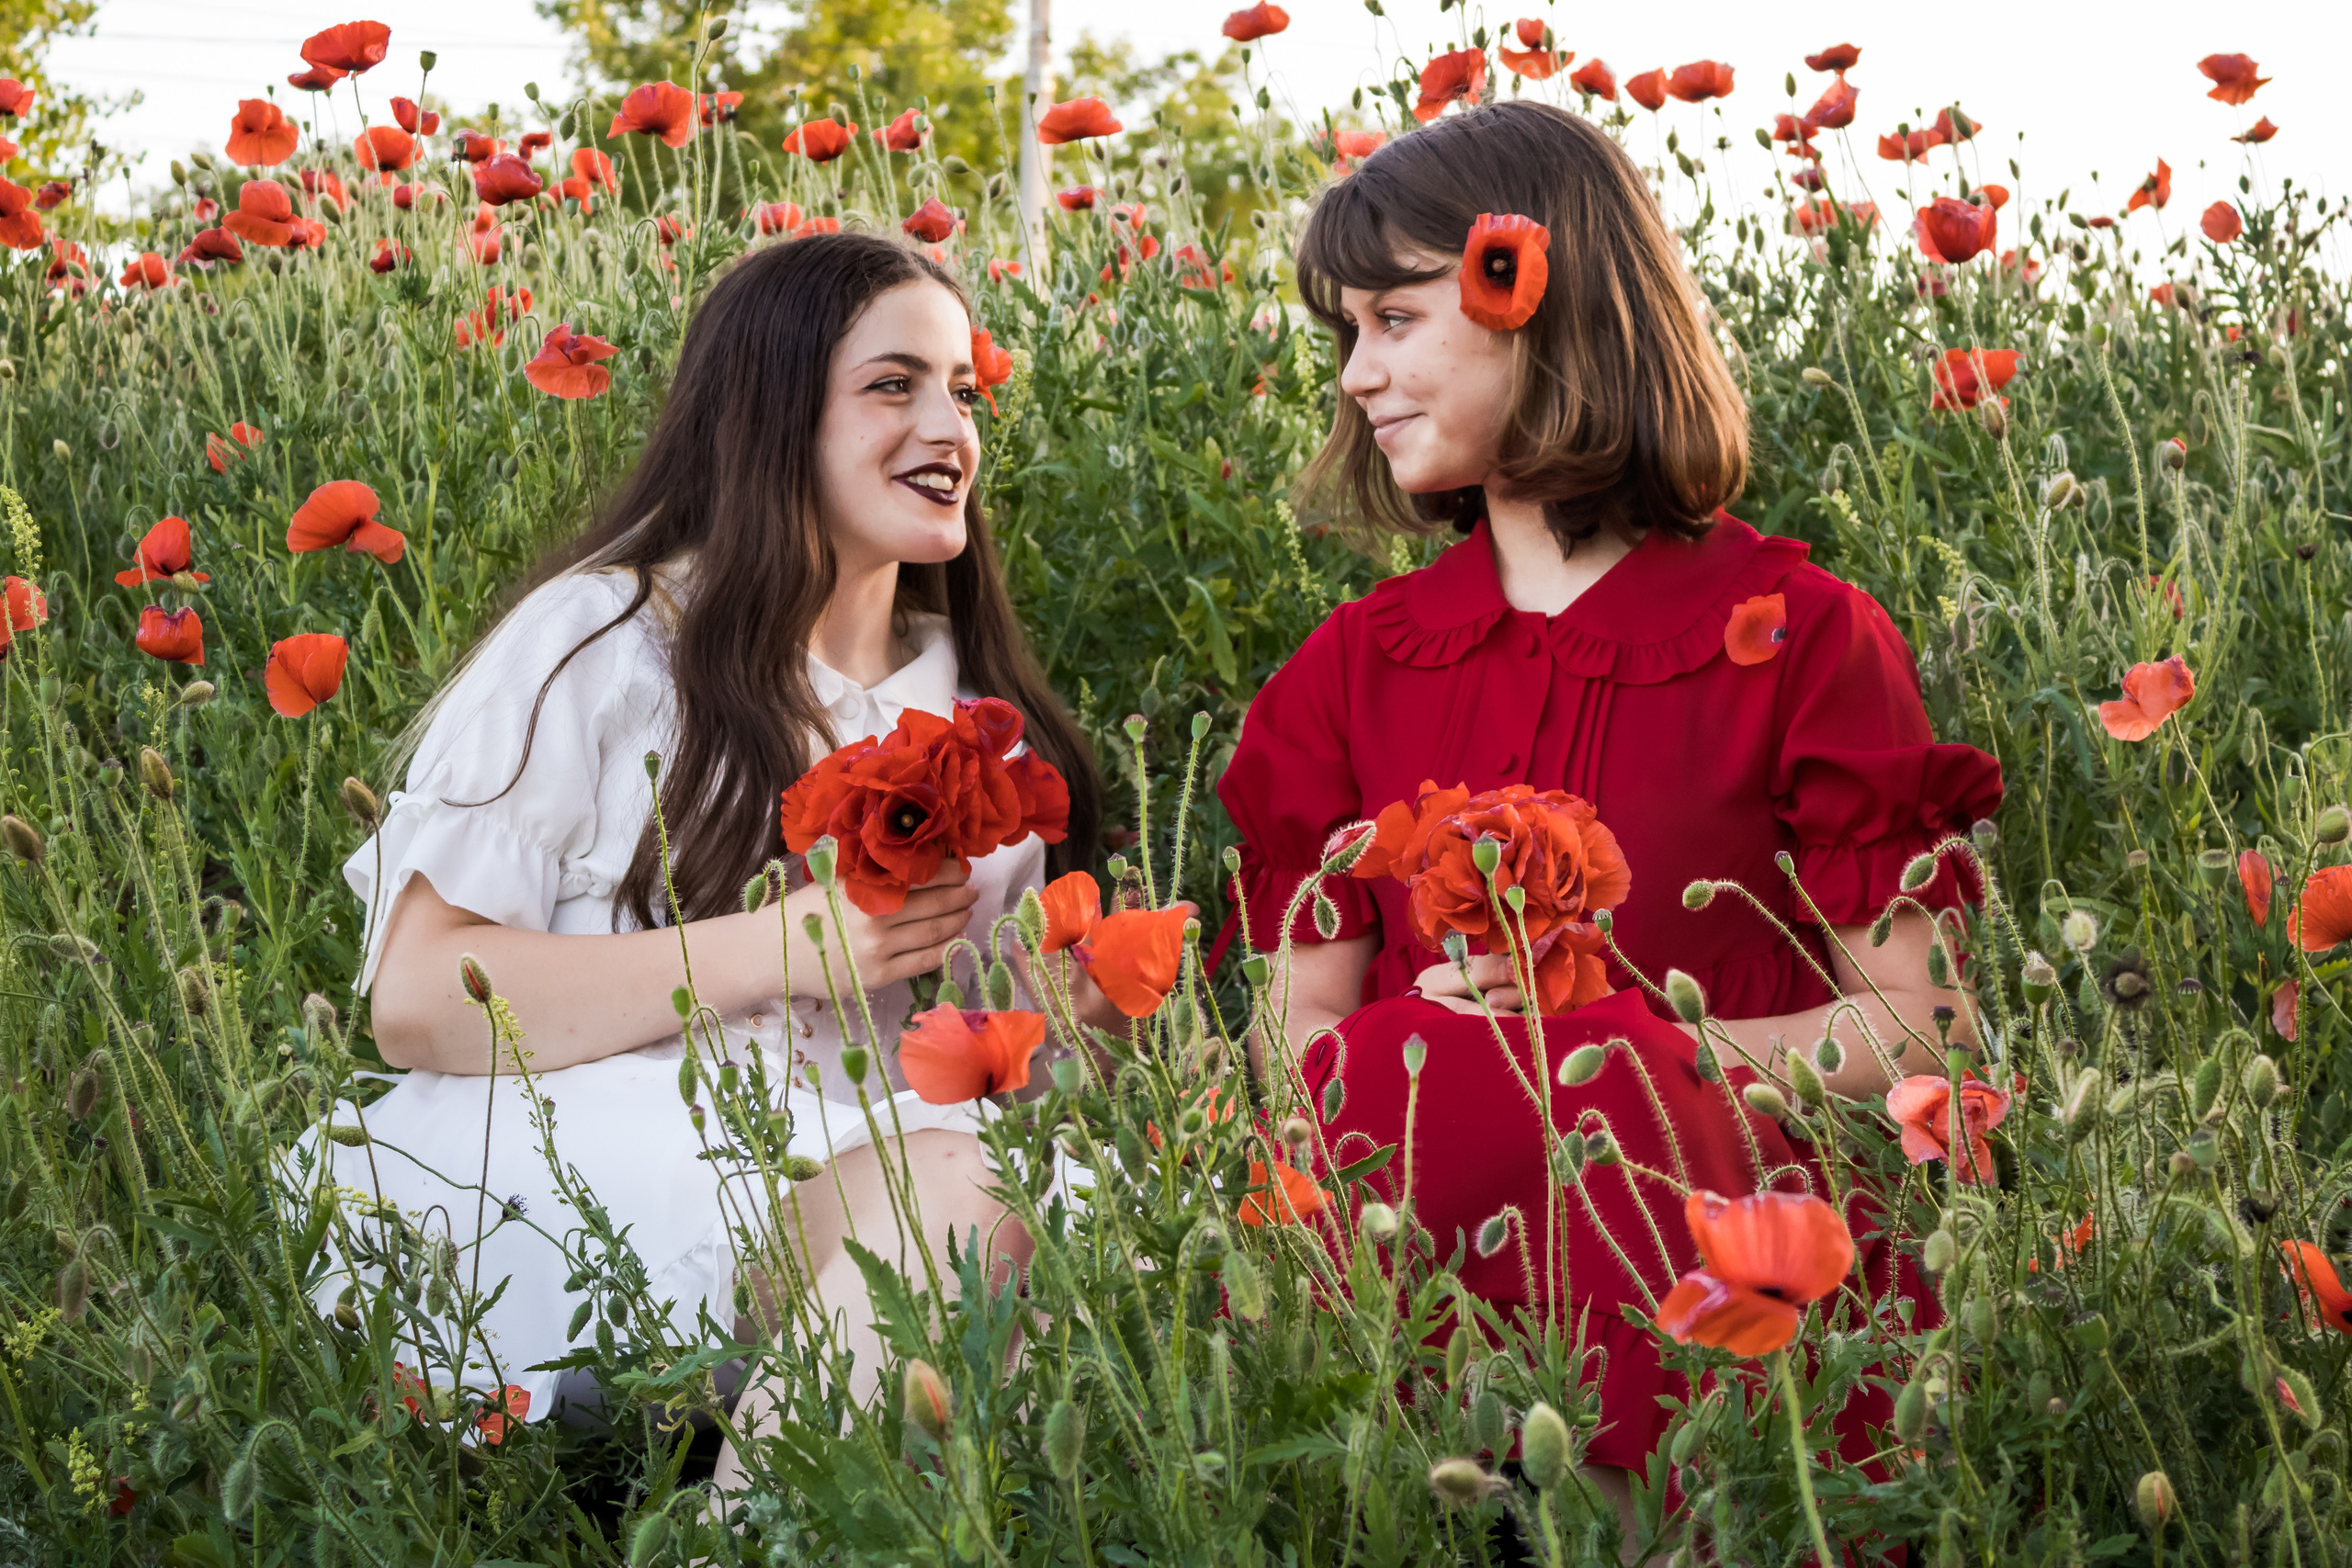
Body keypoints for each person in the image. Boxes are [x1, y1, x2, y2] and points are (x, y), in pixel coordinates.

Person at [1216, 102, 2002, 1536]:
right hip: (1419, 1268)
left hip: (1723, 1264)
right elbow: (1293, 1047)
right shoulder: (1347, 675)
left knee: (1582, 1076)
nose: (1357, 375)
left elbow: (1920, 1033)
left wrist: (1632, 1051)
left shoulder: (1799, 637)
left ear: (1535, 293)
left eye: (1394, 319)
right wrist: (1442, 1057)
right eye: (1347, 333)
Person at [311, 232, 1102, 1457]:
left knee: (1006, 1214)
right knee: (951, 1211)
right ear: (770, 412)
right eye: (895, 385)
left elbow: (986, 1059)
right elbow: (415, 1002)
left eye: (964, 389)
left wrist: (1078, 1021)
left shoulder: (978, 711)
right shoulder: (607, 641)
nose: (949, 425)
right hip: (600, 1157)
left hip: (887, 1175)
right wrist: (785, 948)